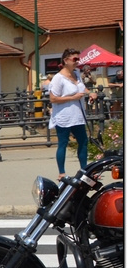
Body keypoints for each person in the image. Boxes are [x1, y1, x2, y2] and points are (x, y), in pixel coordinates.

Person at [48, 48, 90, 179]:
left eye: (78, 59)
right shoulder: (58, 78)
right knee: (63, 143)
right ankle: (62, 173)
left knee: (83, 141)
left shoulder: (76, 74)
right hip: (64, 116)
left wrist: (90, 93)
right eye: (75, 59)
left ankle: (84, 171)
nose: (77, 62)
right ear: (66, 60)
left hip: (78, 115)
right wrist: (73, 97)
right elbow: (53, 98)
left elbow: (82, 88)